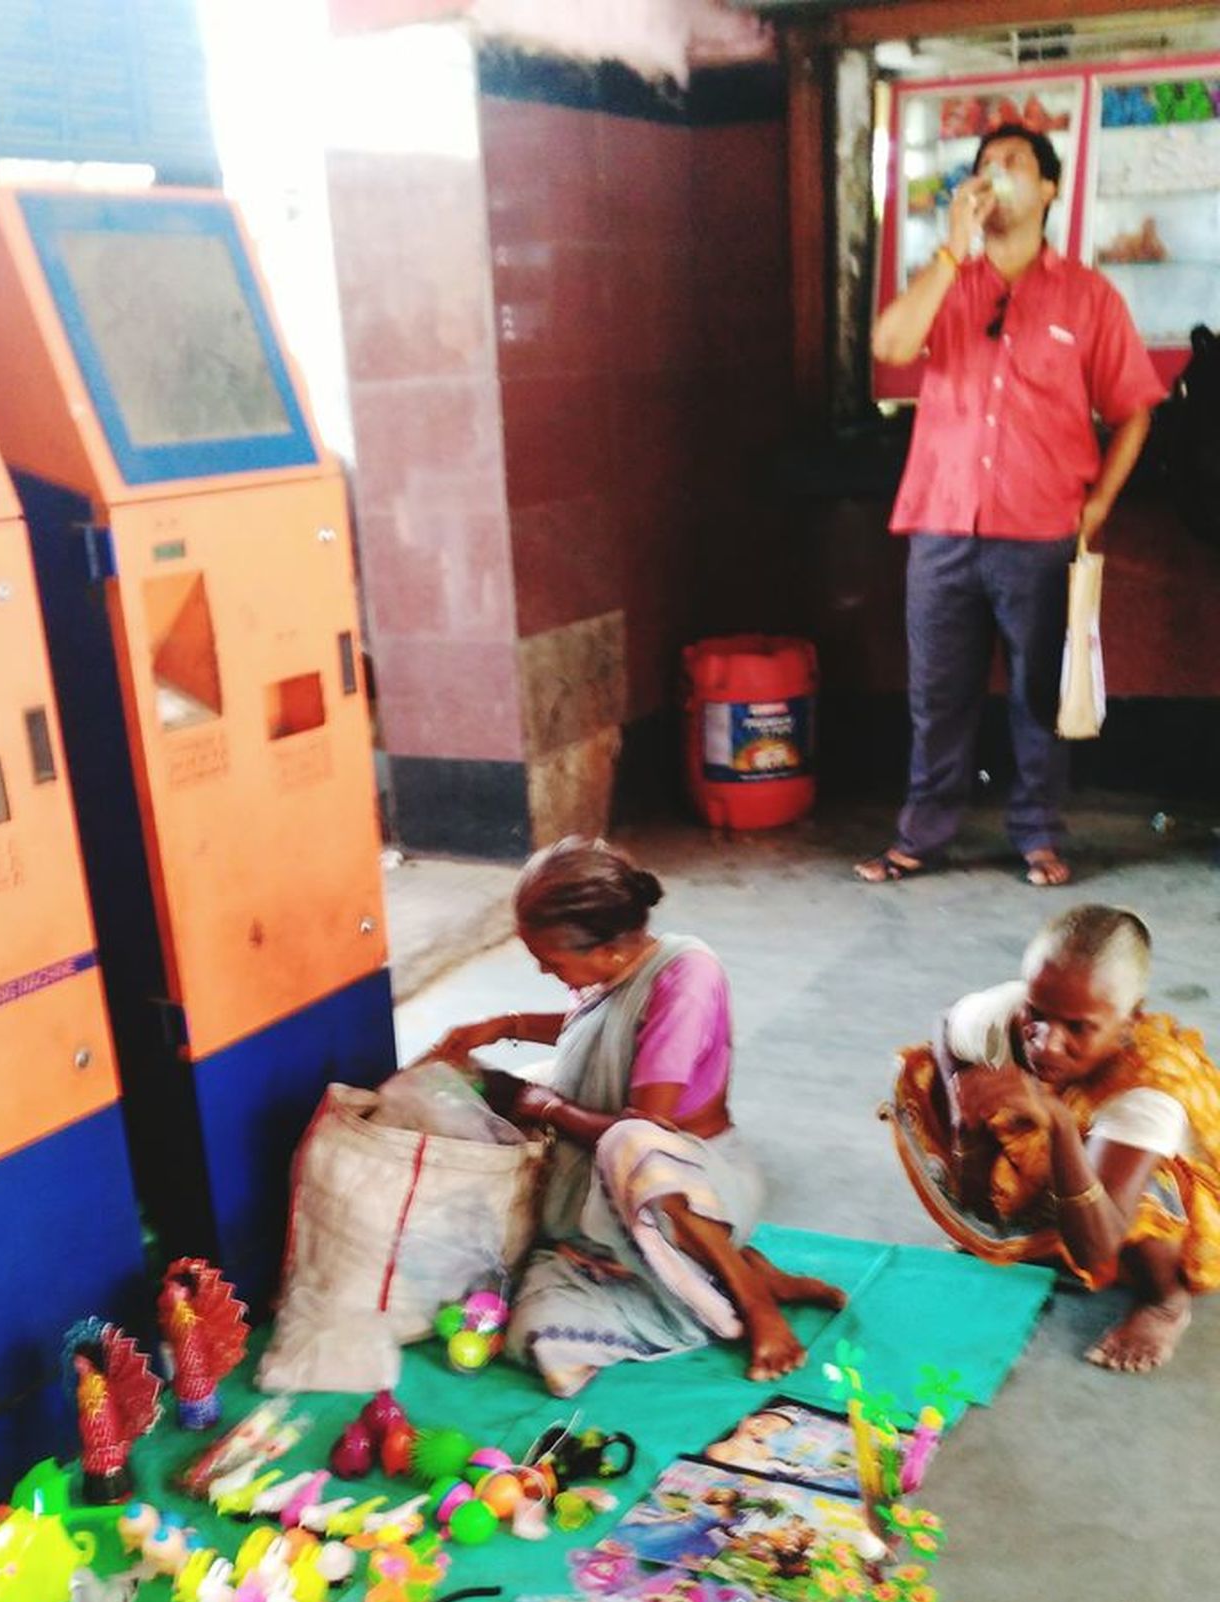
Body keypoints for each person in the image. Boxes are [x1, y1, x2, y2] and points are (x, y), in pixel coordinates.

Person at [856, 125, 1165, 890]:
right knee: (937, 693)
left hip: (1042, 528)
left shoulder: (1088, 296)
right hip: (942, 522)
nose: (995, 176)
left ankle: (1037, 834)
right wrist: (949, 250)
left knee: (1038, 695)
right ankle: (921, 834)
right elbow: (891, 345)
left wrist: (1096, 507)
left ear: (1050, 190)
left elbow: (1134, 409)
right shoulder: (948, 279)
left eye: (1014, 165)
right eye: (985, 165)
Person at [429, 837, 845, 1395]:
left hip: (694, 1179)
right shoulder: (612, 976)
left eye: (551, 962)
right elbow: (588, 1031)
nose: (541, 969)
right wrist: (502, 1026)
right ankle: (735, 1272)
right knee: (542, 1337)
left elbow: (646, 1126)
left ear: (608, 951)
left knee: (632, 1144)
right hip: (614, 1198)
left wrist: (540, 1106)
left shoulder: (688, 977)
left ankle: (755, 1305)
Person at [886, 904, 1220, 1372]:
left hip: (1146, 1202)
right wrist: (966, 1116)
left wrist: (1061, 1125)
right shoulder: (1006, 1017)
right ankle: (1037, 1240)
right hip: (1074, 1164)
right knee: (922, 1076)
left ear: (1128, 1022)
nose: (1046, 1042)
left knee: (1148, 1190)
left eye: (1078, 1027)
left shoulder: (1148, 1090)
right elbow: (946, 1025)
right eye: (1037, 1014)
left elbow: (1096, 1246)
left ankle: (1164, 1301)